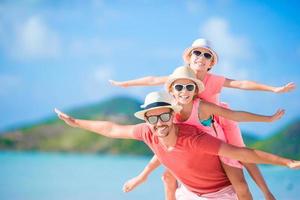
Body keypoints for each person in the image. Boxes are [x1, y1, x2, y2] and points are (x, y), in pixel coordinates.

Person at [109, 38, 296, 199]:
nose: (201, 57)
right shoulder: (179, 78)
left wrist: (273, 92)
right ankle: (144, 177)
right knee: (168, 172)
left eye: (207, 55)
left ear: (211, 63)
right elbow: (151, 80)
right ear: (189, 57)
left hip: (217, 123)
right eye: (197, 52)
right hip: (189, 127)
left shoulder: (213, 80)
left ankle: (266, 192)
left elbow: (242, 84)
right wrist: (125, 84)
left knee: (243, 159)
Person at [54, 91, 300, 200]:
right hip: (190, 194)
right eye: (153, 117)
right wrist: (75, 123)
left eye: (163, 116)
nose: (159, 122)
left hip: (221, 195)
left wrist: (286, 162)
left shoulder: (194, 138)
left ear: (172, 116)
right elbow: (110, 129)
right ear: (147, 120)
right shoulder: (147, 132)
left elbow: (243, 153)